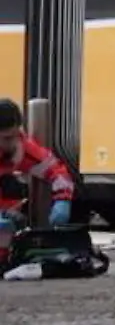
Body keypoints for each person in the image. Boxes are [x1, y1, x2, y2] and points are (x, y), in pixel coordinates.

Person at [0, 99, 75, 266]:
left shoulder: (21, 148)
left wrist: (62, 200)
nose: (11, 143)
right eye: (6, 138)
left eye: (14, 136)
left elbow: (56, 171)